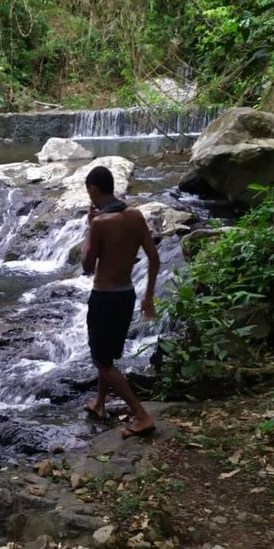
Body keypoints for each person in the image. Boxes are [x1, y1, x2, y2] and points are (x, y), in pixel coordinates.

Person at [80, 165, 160, 438]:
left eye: (87, 190)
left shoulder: (101, 223)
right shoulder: (136, 215)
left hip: (104, 298)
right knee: (108, 355)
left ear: (93, 189)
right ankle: (100, 403)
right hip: (127, 294)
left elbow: (87, 266)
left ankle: (141, 415)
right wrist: (149, 296)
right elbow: (154, 257)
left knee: (102, 361)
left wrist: (89, 229)